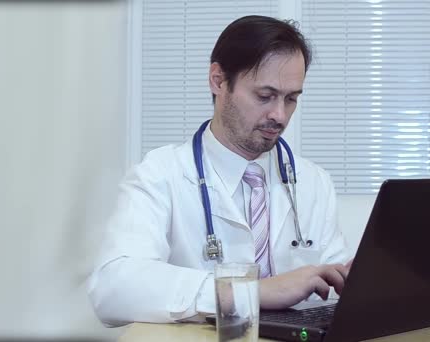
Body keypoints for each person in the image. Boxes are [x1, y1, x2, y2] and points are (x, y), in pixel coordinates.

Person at [88, 15, 352, 327]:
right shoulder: (160, 174)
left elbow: (334, 285)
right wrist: (248, 293)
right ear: (218, 80)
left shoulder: (313, 182)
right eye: (264, 96)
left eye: (291, 99)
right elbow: (113, 289)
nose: (280, 116)